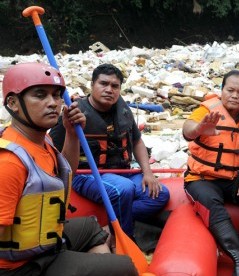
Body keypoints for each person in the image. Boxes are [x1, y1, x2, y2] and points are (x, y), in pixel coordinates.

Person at [0, 62, 137, 275]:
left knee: (91, 228)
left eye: (56, 95)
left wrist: (72, 133)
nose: (53, 103)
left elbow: (65, 174)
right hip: (22, 266)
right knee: (125, 267)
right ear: (13, 103)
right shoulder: (8, 162)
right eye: (40, 95)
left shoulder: (41, 142)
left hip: (45, 242)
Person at [50, 63, 170, 239]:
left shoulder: (122, 109)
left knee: (160, 194)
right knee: (124, 189)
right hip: (86, 175)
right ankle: (124, 239)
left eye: (115, 86)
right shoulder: (73, 113)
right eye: (103, 84)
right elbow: (52, 149)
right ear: (92, 85)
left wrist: (148, 173)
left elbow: (136, 141)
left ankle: (108, 223)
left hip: (122, 172)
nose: (109, 90)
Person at [182, 70, 239, 276]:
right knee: (209, 200)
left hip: (233, 179)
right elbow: (187, 129)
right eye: (230, 90)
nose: (234, 95)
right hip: (201, 179)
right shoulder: (207, 111)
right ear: (222, 91)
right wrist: (200, 128)